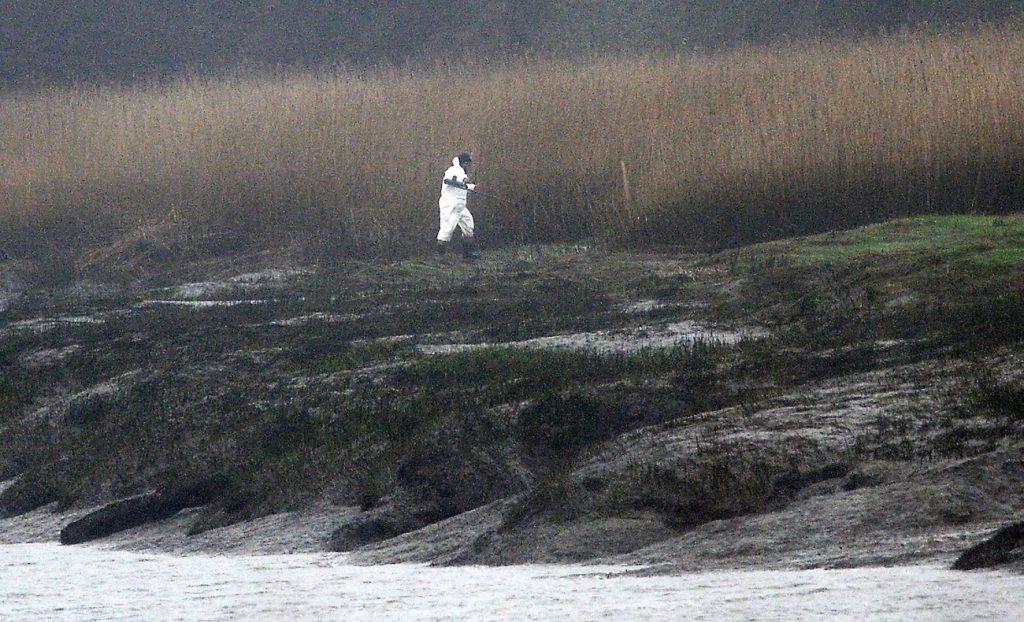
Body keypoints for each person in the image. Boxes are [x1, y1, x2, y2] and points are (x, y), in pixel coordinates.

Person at [436, 152, 481, 260]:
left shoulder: (462, 173)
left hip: (460, 206)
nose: (469, 167)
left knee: (468, 226)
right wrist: (462, 181)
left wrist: (473, 187)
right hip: (450, 205)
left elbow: (462, 187)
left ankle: (467, 253)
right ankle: (439, 255)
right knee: (447, 229)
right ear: (464, 163)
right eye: (468, 164)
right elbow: (449, 181)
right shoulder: (453, 170)